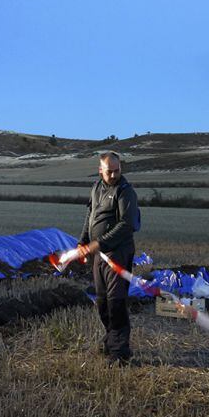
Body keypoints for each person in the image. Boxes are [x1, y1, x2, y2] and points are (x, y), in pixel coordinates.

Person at [77, 152, 140, 365]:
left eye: (117, 170)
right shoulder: (96, 188)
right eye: (109, 171)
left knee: (116, 303)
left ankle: (120, 352)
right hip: (98, 255)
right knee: (102, 302)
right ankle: (110, 339)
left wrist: (100, 243)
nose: (113, 175)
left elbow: (127, 225)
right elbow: (90, 216)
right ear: (100, 170)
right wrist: (83, 241)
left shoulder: (125, 191)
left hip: (118, 254)